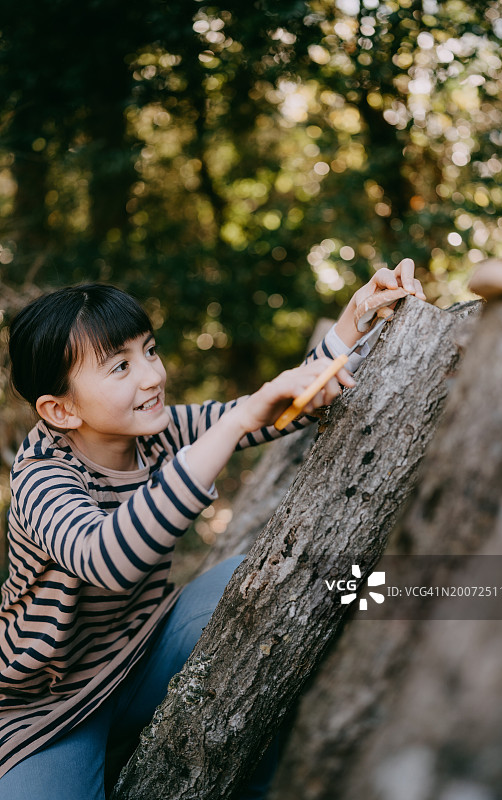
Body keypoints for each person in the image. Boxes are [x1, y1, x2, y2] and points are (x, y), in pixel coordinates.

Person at [0, 261, 425, 799]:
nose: (152, 376)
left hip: (145, 648)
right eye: (119, 368)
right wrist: (234, 423)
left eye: (148, 351)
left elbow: (277, 411)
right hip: (50, 707)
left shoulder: (153, 432)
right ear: (59, 409)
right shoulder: (43, 478)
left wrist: (355, 318)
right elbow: (108, 558)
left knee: (284, 581)